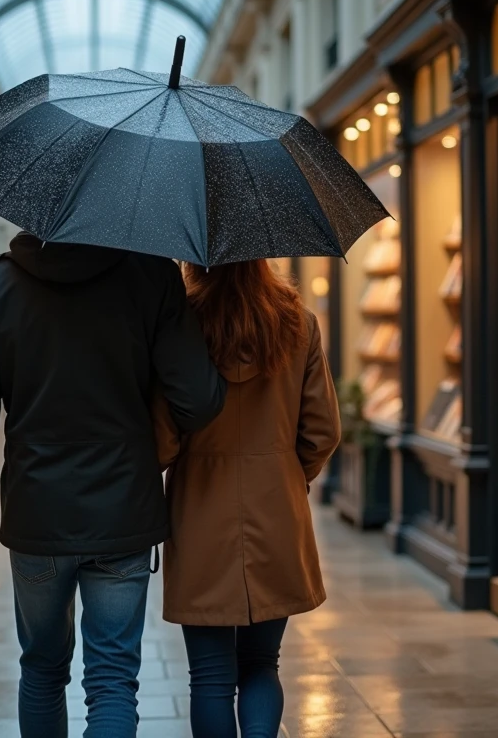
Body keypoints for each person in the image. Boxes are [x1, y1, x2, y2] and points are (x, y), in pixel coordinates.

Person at [0, 232, 227, 738]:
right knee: (114, 680)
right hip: (124, 510)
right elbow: (199, 401)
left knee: (42, 670)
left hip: (37, 512)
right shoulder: (151, 274)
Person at [154, 260, 340, 738]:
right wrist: (288, 475)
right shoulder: (298, 321)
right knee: (262, 662)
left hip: (199, 513)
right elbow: (322, 430)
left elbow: (163, 441)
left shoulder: (182, 322)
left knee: (211, 676)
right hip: (277, 507)